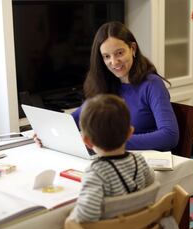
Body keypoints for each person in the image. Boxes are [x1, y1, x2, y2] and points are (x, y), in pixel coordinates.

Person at [35, 21, 179, 151]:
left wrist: (111, 143)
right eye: (107, 56)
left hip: (142, 162)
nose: (114, 62)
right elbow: (79, 119)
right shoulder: (104, 83)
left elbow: (169, 136)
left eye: (119, 53)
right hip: (112, 157)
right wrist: (47, 132)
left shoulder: (152, 84)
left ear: (133, 49)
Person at [68, 94, 155, 222]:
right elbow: (150, 185)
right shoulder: (139, 160)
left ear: (87, 141)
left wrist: (69, 221)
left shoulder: (96, 173)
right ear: (130, 133)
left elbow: (87, 214)